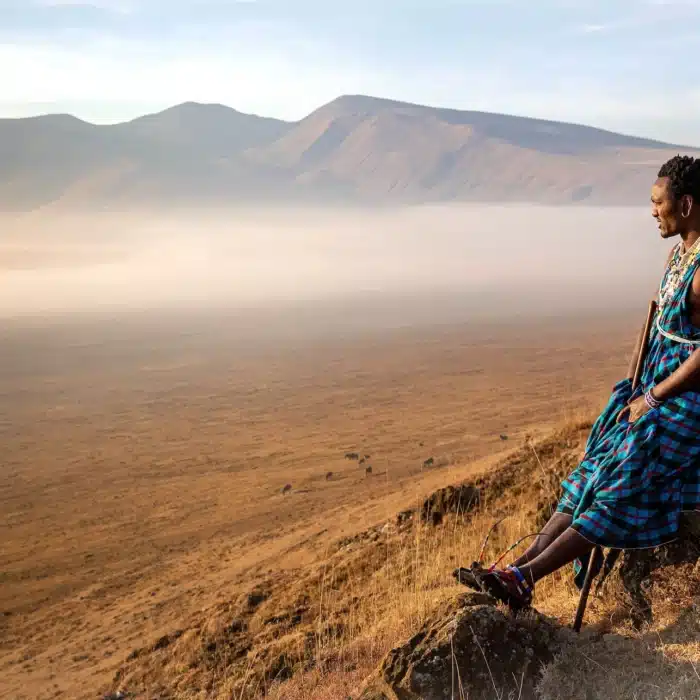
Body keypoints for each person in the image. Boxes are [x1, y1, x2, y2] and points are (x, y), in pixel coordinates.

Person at [455, 155, 700, 609]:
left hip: (687, 399)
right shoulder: (678, 254)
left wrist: (652, 396)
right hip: (652, 384)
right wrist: (636, 384)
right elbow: (664, 325)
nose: (651, 211)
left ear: (684, 204)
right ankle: (515, 568)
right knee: (593, 465)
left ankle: (524, 577)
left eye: (657, 202)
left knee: (619, 477)